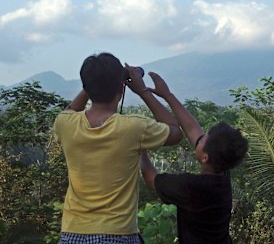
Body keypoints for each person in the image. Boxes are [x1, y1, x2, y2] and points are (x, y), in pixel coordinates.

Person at [53, 52, 183, 243]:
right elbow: (175, 132)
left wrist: (93, 84)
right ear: (121, 89)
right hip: (118, 234)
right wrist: (143, 91)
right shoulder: (134, 128)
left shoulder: (64, 123)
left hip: (72, 234)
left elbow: (71, 110)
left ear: (86, 87)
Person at [140, 72, 248, 244]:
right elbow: (192, 130)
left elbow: (151, 179)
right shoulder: (222, 174)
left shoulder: (192, 187)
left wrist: (140, 149)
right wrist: (166, 95)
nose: (200, 136)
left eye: (205, 138)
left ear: (205, 157)